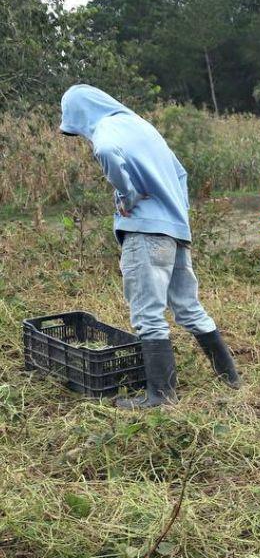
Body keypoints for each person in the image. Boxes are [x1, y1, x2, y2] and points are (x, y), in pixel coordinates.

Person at [59, 84, 240, 408]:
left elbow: (106, 152)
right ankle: (231, 378)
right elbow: (180, 173)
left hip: (145, 234)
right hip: (175, 232)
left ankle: (161, 396)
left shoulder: (106, 128)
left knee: (147, 314)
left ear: (80, 113)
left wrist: (125, 194)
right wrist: (176, 216)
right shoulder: (142, 127)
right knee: (188, 307)